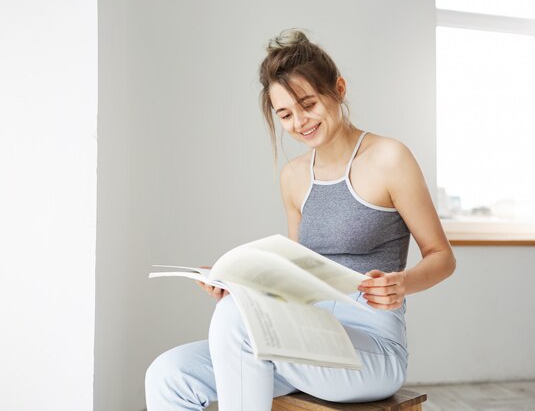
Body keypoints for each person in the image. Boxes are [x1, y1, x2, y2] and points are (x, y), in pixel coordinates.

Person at [145, 29, 455, 411]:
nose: (300, 122)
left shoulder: (390, 158)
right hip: (304, 336)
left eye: (308, 104)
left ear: (338, 89)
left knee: (235, 320)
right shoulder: (293, 176)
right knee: (168, 372)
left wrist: (401, 284)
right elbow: (295, 282)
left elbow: (442, 255)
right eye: (286, 114)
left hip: (371, 350)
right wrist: (237, 284)